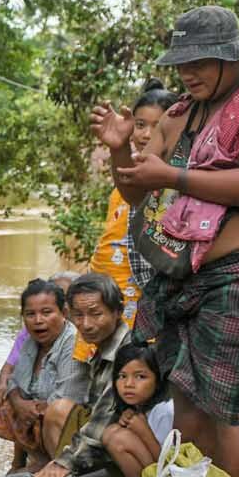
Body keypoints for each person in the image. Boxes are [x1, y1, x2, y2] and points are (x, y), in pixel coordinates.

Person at [91, 5, 239, 477]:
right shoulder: (178, 115)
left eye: (200, 63)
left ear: (232, 58)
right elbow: (136, 191)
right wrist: (121, 148)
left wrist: (171, 175)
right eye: (181, 65)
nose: (188, 74)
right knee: (186, 395)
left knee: (234, 406)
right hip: (181, 274)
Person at [86, 81, 181, 330]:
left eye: (157, 126)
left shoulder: (178, 177)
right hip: (108, 295)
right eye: (140, 125)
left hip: (151, 300)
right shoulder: (126, 173)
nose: (146, 134)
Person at [30, 272, 133, 477]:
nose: (86, 324)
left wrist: (63, 463)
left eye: (96, 314)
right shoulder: (102, 348)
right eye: (78, 315)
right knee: (59, 409)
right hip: (109, 439)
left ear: (118, 312)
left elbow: (103, 422)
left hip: (128, 448)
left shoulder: (127, 354)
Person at [0, 278, 78, 469]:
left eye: (46, 312)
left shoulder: (71, 342)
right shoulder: (30, 341)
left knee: (52, 412)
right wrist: (18, 403)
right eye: (30, 314)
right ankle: (28, 462)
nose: (38, 320)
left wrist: (29, 407)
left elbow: (66, 397)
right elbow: (14, 378)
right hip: (35, 409)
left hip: (66, 421)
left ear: (64, 313)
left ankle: (54, 465)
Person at [99, 340, 168, 477]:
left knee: (120, 439)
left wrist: (143, 431)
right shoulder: (138, 408)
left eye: (140, 377)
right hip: (157, 473)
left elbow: (171, 463)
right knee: (110, 432)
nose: (128, 384)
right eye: (122, 376)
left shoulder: (164, 410)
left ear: (158, 378)